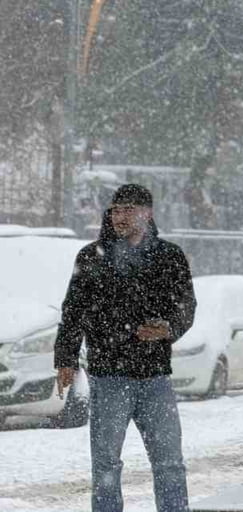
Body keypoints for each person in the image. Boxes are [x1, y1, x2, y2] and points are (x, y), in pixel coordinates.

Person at [53, 184, 196, 512]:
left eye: (129, 209)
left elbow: (186, 305)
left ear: (148, 213)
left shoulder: (169, 256)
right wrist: (66, 358)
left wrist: (167, 328)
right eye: (116, 210)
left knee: (170, 464)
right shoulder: (92, 257)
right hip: (108, 376)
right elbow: (73, 311)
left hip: (155, 376)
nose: (120, 216)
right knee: (106, 465)